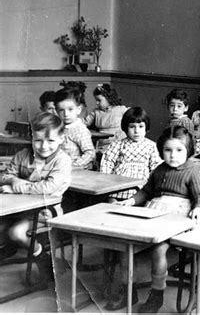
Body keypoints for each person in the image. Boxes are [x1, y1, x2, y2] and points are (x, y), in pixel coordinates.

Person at [106, 126, 200, 312]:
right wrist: (131, 200)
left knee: (159, 250)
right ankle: (129, 289)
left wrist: (199, 210)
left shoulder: (192, 171)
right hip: (155, 212)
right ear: (161, 150)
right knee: (125, 246)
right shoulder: (159, 169)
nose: (173, 155)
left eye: (179, 150)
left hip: (179, 216)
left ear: (189, 151)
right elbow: (146, 192)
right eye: (167, 150)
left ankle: (157, 293)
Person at [0, 112, 71, 278]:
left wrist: (19, 187)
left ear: (62, 138)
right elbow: (4, 175)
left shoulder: (62, 160)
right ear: (31, 138)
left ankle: (42, 257)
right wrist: (13, 180)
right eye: (38, 140)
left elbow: (50, 186)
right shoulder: (22, 155)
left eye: (50, 141)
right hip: (15, 209)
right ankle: (11, 248)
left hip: (44, 212)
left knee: (16, 232)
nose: (44, 146)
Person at [100, 107, 162, 202]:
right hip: (118, 185)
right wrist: (107, 183)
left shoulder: (152, 146)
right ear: (125, 128)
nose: (137, 131)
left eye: (141, 126)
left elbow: (156, 167)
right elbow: (107, 163)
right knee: (111, 203)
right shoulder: (117, 145)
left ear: (146, 128)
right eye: (132, 127)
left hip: (141, 187)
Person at [54, 87, 95, 169]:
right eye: (61, 110)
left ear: (78, 109)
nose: (66, 114)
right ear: (56, 111)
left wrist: (75, 165)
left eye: (70, 109)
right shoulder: (58, 127)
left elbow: (90, 153)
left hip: (76, 170)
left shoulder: (80, 130)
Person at [83, 84, 128, 149]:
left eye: (99, 100)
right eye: (96, 100)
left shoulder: (120, 109)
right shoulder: (96, 112)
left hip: (118, 142)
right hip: (102, 143)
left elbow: (132, 115)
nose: (97, 103)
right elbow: (85, 122)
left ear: (109, 98)